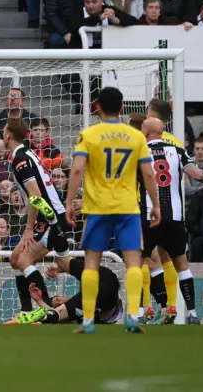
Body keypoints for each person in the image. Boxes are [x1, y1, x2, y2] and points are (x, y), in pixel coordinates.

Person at [65, 87, 161, 334]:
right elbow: (149, 173)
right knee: (132, 262)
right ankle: (132, 317)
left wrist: (69, 202)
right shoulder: (136, 137)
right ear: (122, 109)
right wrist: (155, 204)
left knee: (91, 263)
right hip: (127, 207)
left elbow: (76, 170)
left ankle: (87, 321)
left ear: (97, 108)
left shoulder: (89, 134)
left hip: (98, 207)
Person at [139, 118, 203, 324]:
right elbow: (195, 173)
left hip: (150, 215)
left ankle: (143, 310)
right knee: (181, 264)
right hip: (175, 216)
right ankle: (192, 313)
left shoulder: (140, 151)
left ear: (145, 131)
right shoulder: (176, 150)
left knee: (141, 261)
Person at [2, 117, 71, 323]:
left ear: (8, 135)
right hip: (49, 215)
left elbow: (35, 195)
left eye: (4, 131)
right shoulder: (25, 153)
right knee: (16, 259)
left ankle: (50, 310)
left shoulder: (20, 158)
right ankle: (25, 311)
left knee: (24, 259)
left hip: (51, 219)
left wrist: (28, 228)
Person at [13, 256, 123, 325]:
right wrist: (40, 302)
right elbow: (58, 314)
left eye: (58, 299)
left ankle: (53, 236)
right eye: (57, 304)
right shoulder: (75, 316)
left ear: (66, 296)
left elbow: (56, 313)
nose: (60, 302)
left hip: (102, 281)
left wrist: (39, 301)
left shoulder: (76, 301)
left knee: (62, 261)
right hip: (107, 296)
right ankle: (53, 227)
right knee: (62, 260)